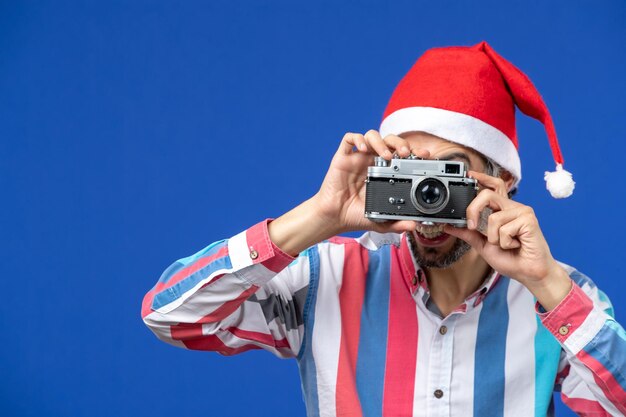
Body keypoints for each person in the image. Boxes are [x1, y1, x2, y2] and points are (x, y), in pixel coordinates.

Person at [141, 42, 626, 416]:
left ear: (503, 180)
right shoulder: (325, 275)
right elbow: (170, 316)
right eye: (409, 170)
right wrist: (320, 214)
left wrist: (547, 285)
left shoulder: (562, 297)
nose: (428, 197)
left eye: (448, 173)